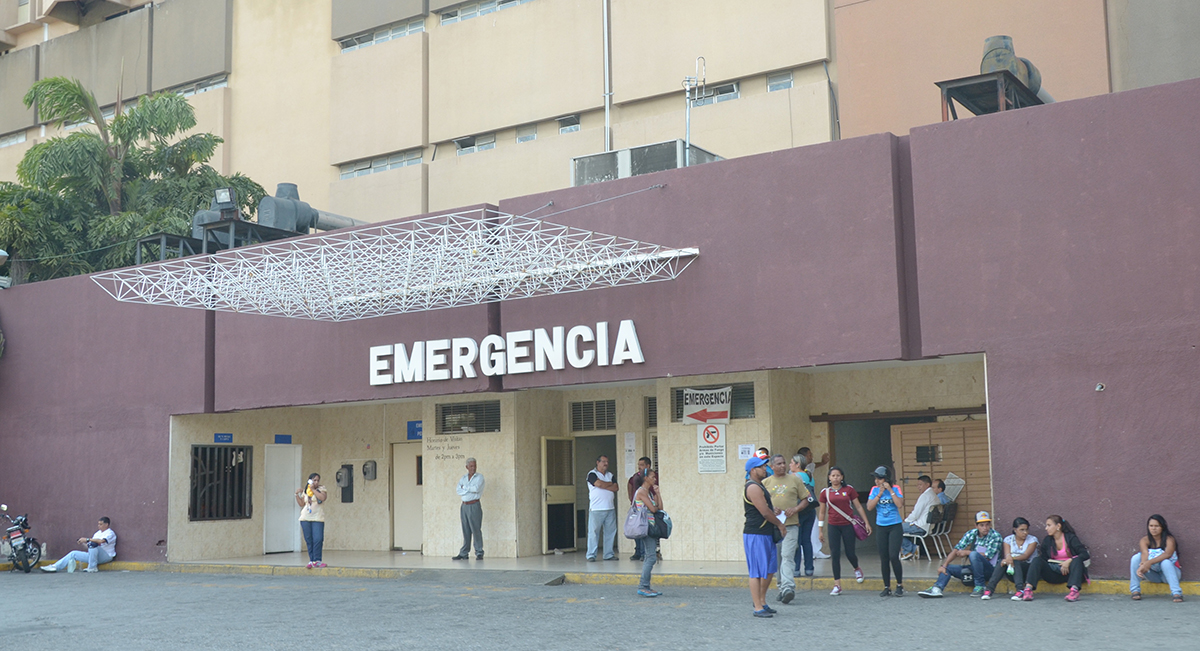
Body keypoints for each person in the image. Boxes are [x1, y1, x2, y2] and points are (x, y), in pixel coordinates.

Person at [918, 510, 1003, 598]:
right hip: (975, 569)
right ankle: (937, 588)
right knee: (948, 568)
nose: (985, 528)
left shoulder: (995, 536)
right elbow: (956, 549)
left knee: (973, 555)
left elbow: (988, 557)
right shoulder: (971, 534)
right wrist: (944, 565)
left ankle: (980, 586)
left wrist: (967, 552)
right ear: (976, 526)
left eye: (987, 524)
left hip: (989, 570)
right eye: (982, 525)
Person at [762, 454, 810, 604]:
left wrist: (795, 509)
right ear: (772, 467)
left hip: (791, 525)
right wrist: (771, 509)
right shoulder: (765, 483)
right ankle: (782, 587)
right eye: (779, 464)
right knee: (776, 559)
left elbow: (806, 499)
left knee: (787, 555)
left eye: (784, 463)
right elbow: (760, 503)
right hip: (773, 527)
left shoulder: (795, 479)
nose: (783, 466)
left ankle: (788, 587)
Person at [744, 456, 787, 617]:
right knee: (756, 571)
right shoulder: (752, 487)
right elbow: (764, 512)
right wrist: (779, 524)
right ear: (753, 470)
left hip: (765, 533)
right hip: (755, 534)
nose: (765, 469)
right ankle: (757, 607)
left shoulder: (760, 486)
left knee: (769, 569)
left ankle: (762, 601)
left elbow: (766, 508)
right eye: (762, 467)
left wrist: (773, 510)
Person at [818, 466, 870, 595]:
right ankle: (837, 584)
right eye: (833, 476)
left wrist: (866, 522)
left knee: (849, 552)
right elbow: (822, 512)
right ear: (829, 478)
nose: (835, 478)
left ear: (842, 477)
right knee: (835, 554)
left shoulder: (849, 489)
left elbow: (858, 506)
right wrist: (820, 530)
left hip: (848, 525)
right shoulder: (825, 492)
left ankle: (856, 568)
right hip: (833, 525)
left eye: (838, 475)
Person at [1017, 515, 1089, 602]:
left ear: (1058, 526)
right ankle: (1028, 589)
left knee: (1077, 560)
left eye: (1049, 525)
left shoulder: (1070, 538)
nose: (1046, 528)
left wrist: (1069, 561)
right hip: (1053, 573)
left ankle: (1074, 591)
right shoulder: (1048, 540)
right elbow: (1043, 558)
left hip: (1070, 574)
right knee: (1037, 560)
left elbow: (1084, 554)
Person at [867, 465, 905, 596]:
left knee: (893, 556)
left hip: (895, 525)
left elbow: (899, 504)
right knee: (884, 557)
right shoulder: (874, 490)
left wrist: (890, 490)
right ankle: (886, 586)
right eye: (875, 479)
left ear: (886, 479)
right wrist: (880, 493)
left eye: (879, 478)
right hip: (881, 526)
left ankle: (899, 585)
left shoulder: (896, 488)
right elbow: (869, 507)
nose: (877, 481)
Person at [1130, 514, 1182, 602]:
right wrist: (1143, 564)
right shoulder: (1145, 540)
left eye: (1157, 526)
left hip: (1170, 574)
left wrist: (1149, 563)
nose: (1153, 528)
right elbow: (1144, 553)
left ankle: (1176, 593)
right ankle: (1135, 590)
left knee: (1165, 562)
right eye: (1151, 526)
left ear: (1162, 527)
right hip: (1155, 576)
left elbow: (1167, 554)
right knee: (1135, 557)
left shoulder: (1169, 539)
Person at [984, 517, 1038, 600]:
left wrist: (1011, 559)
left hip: (1027, 569)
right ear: (1015, 529)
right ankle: (989, 590)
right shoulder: (1008, 540)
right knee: (1002, 562)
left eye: (1026, 530)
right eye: (1022, 530)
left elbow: (1025, 556)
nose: (1025, 533)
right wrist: (1007, 559)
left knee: (1013, 561)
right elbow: (1007, 555)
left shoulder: (1032, 540)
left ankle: (1020, 590)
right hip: (1012, 570)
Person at [41, 517, 116, 573]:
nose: (99, 526)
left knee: (92, 543)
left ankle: (92, 567)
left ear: (106, 524)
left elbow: (101, 541)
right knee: (73, 553)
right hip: (94, 556)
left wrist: (87, 539)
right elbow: (90, 547)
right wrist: (83, 543)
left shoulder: (110, 533)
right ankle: (55, 567)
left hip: (106, 556)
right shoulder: (97, 533)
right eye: (98, 524)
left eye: (101, 524)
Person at [634, 468, 663, 597]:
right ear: (646, 478)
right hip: (645, 527)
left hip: (651, 527)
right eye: (652, 477)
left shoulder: (649, 493)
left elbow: (660, 508)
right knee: (650, 557)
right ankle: (643, 586)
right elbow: (653, 509)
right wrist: (655, 507)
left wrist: (657, 493)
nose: (654, 479)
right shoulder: (641, 492)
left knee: (650, 556)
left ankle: (646, 586)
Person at [789, 454, 818, 577]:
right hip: (810, 510)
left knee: (797, 540)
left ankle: (796, 569)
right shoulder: (809, 475)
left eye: (791, 463)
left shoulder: (794, 476)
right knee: (806, 540)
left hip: (799, 510)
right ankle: (809, 568)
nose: (789, 465)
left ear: (797, 464)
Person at [586, 455, 619, 561]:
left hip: (610, 508)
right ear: (597, 462)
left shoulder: (610, 474)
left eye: (607, 462)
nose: (606, 464)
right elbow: (598, 484)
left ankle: (608, 555)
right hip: (596, 509)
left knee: (610, 532)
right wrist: (609, 484)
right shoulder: (592, 474)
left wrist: (605, 485)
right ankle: (591, 555)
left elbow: (616, 487)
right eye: (603, 461)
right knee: (593, 533)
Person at [453, 458, 485, 560]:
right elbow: (458, 490)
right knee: (465, 529)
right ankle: (464, 553)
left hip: (474, 505)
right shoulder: (463, 478)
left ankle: (479, 552)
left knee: (475, 529)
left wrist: (465, 488)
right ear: (467, 467)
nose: (473, 468)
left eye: (474, 466)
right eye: (471, 466)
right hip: (464, 506)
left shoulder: (479, 477)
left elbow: (476, 489)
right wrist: (467, 489)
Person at [899, 475, 936, 560]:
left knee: (894, 529)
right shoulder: (934, 495)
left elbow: (915, 514)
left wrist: (906, 521)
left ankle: (909, 550)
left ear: (927, 485)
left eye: (920, 484)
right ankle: (912, 549)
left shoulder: (925, 496)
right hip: (928, 526)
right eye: (917, 485)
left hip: (920, 526)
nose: (918, 487)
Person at [296, 473, 328, 568]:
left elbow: (322, 498)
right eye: (314, 480)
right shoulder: (306, 491)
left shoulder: (321, 489)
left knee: (318, 539)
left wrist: (314, 489)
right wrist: (297, 495)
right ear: (310, 480)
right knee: (309, 539)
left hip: (317, 518)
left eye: (318, 480)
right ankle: (312, 560)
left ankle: (317, 560)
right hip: (305, 518)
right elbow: (302, 503)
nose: (316, 482)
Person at [627, 456, 651, 562]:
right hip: (637, 507)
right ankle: (638, 552)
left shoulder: (651, 476)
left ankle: (644, 553)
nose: (639, 467)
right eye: (638, 465)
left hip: (647, 508)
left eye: (641, 465)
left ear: (648, 466)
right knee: (636, 529)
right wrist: (631, 498)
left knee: (644, 530)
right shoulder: (636, 476)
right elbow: (630, 484)